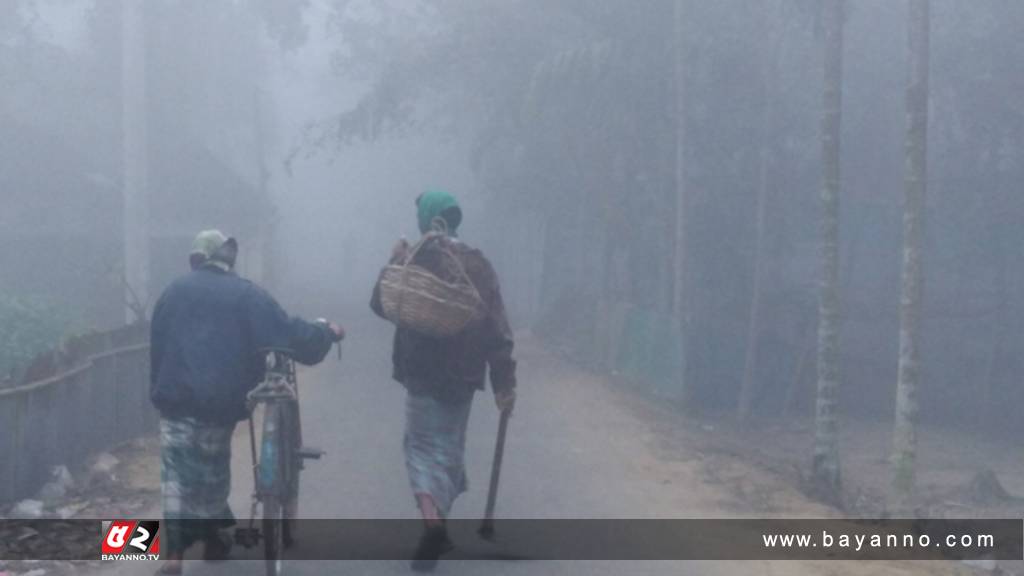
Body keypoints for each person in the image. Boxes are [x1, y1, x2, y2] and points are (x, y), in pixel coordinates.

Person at [149, 230, 344, 575]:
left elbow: (158, 349)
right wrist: (326, 332)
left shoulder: (172, 292)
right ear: (229, 261)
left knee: (176, 477)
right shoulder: (246, 294)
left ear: (196, 259)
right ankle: (215, 538)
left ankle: (175, 555)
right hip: (221, 405)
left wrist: (162, 392)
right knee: (211, 469)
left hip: (175, 400)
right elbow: (288, 332)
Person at [370, 190, 517, 572]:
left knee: (420, 448)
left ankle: (432, 522)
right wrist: (504, 383)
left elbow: (380, 303)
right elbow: (497, 328)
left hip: (421, 373)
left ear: (426, 219)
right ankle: (438, 521)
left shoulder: (417, 256)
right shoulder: (478, 264)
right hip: (463, 377)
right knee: (448, 450)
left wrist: (394, 259)